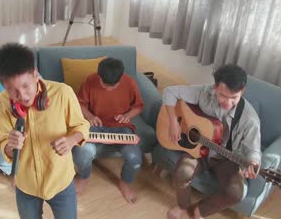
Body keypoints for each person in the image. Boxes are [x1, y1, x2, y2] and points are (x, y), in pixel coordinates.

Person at [0, 43, 90, 219]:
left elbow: (81, 126)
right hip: (26, 185)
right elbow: (3, 145)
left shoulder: (63, 93)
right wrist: (11, 146)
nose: (22, 96)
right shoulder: (2, 102)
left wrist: (72, 140)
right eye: (12, 91)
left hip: (61, 181)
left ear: (35, 75)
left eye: (25, 86)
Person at [163, 64, 261, 219]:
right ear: (215, 87)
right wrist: (174, 122)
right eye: (222, 95)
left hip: (227, 159)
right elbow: (169, 92)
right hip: (199, 151)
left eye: (234, 97)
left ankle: (199, 211)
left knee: (237, 192)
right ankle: (183, 206)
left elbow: (253, 149)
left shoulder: (250, 119)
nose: (227, 103)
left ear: (242, 92)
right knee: (182, 172)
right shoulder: (204, 93)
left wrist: (253, 162)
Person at [73, 57, 144, 204]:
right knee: (82, 152)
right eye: (104, 85)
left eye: (114, 86)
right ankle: (84, 177)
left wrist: (127, 116)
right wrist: (90, 116)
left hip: (121, 126)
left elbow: (138, 106)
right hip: (96, 125)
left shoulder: (130, 83)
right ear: (99, 76)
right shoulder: (90, 80)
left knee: (135, 157)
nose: (109, 89)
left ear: (121, 78)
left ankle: (124, 183)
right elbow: (79, 104)